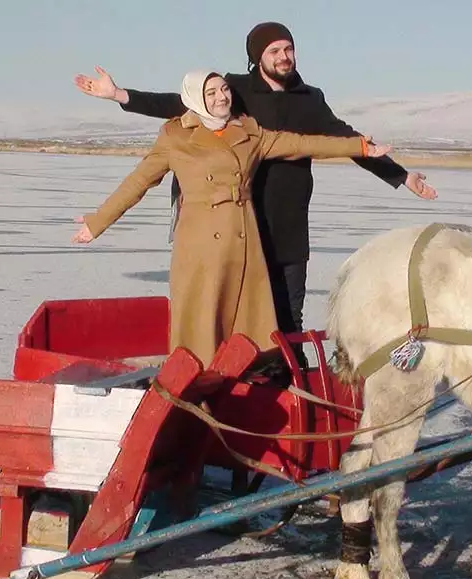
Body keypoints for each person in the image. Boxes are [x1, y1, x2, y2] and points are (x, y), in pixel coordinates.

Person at [74, 21, 437, 340]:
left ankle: (289, 395)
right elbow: (179, 104)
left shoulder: (309, 99)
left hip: (290, 220)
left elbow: (333, 140)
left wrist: (401, 175)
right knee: (244, 316)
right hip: (244, 221)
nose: (284, 56)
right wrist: (119, 95)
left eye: (289, 49)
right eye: (275, 50)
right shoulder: (234, 89)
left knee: (289, 315)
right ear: (258, 57)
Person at [71, 70, 391, 367]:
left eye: (223, 89)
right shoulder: (175, 136)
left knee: (248, 327)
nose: (222, 97)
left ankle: (247, 390)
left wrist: (360, 146)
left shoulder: (249, 132)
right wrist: (96, 222)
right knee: (201, 328)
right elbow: (138, 182)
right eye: (211, 93)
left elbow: (303, 144)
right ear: (195, 99)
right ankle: (195, 391)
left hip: (244, 244)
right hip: (200, 249)